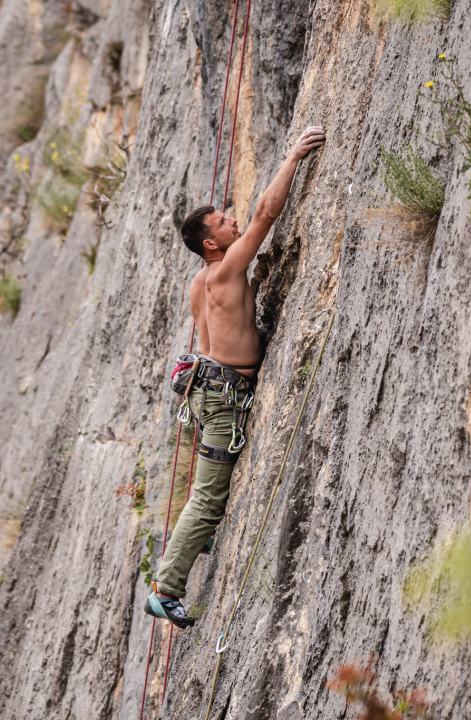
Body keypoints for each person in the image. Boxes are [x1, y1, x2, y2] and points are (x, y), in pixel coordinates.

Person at [144, 126, 326, 628]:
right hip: (223, 396)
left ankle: (195, 533)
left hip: (211, 391)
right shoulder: (222, 271)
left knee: (205, 492)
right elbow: (267, 216)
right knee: (206, 498)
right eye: (224, 222)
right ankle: (166, 589)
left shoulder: (198, 282)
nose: (233, 222)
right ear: (210, 242)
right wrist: (292, 158)